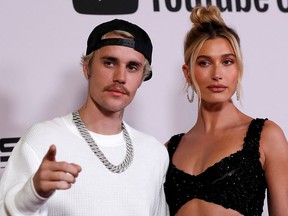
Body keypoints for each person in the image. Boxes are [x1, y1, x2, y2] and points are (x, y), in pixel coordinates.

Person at [0, 19, 169, 216]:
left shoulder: (154, 153)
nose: (120, 76)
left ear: (141, 78)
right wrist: (32, 194)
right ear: (86, 67)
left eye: (132, 67)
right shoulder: (42, 139)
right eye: (109, 62)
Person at [164, 5, 288, 216]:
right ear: (187, 73)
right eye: (204, 63)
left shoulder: (265, 136)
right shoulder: (169, 149)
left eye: (227, 62)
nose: (217, 74)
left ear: (237, 68)